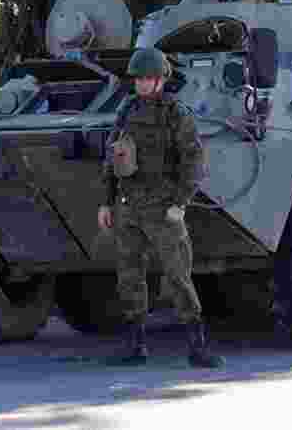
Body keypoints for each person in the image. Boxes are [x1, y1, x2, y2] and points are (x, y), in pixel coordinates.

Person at [98, 47, 224, 368]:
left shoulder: (176, 114)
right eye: (138, 78)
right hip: (128, 206)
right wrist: (106, 201)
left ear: (160, 80)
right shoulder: (126, 110)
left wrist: (180, 203)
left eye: (148, 78)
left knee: (178, 276)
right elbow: (114, 157)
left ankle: (198, 345)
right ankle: (135, 344)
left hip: (163, 208)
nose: (141, 84)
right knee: (129, 276)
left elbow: (193, 162)